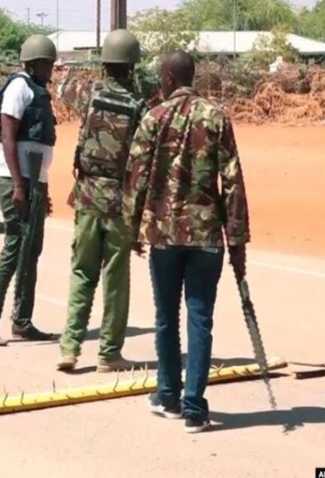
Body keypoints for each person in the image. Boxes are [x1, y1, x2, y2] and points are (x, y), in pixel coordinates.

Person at [122, 51, 250, 434]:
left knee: (166, 317)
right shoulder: (216, 116)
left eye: (161, 76)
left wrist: (131, 229)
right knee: (200, 318)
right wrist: (238, 239)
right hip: (207, 236)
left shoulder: (153, 117)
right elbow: (233, 180)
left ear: (169, 77)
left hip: (164, 235)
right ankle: (193, 407)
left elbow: (136, 177)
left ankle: (168, 395)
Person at [56, 29, 147, 373]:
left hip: (87, 196)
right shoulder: (138, 105)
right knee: (115, 278)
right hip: (119, 201)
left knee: (81, 273)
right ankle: (109, 353)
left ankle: (69, 347)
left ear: (106, 63)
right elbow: (142, 162)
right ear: (132, 65)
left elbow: (63, 89)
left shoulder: (90, 94)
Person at [0, 34, 59, 346]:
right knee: (14, 248)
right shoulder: (19, 88)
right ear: (34, 62)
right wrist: (20, 185)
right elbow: (8, 138)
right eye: (47, 63)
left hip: (34, 180)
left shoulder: (38, 91)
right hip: (17, 180)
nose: (51, 69)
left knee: (31, 252)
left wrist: (41, 189)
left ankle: (22, 321)